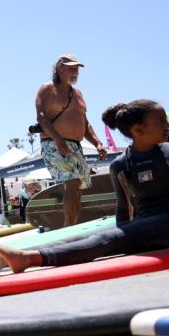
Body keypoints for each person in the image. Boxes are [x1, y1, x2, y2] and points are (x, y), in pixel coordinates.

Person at [0, 100, 169, 274]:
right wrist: (123, 238)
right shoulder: (121, 164)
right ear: (138, 130)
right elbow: (123, 209)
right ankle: (1, 260)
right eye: (161, 122)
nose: (168, 126)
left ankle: (29, 259)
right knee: (98, 237)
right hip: (144, 226)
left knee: (104, 240)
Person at [34, 54, 108, 226]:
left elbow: (85, 123)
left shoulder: (78, 93)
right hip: (54, 143)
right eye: (71, 68)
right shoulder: (47, 89)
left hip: (75, 145)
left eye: (77, 69)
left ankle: (72, 227)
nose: (75, 72)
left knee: (79, 187)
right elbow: (41, 117)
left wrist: (97, 143)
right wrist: (58, 140)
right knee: (73, 182)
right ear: (59, 67)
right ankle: (68, 228)